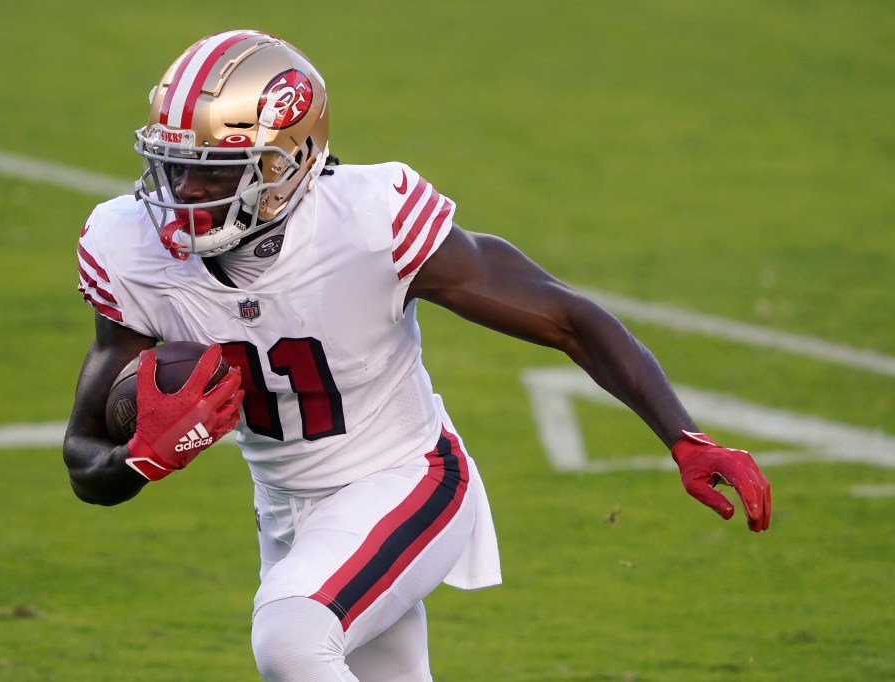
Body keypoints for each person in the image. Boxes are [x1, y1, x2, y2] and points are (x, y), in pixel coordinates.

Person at [63, 29, 771, 682]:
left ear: (290, 161)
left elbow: (567, 319)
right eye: (174, 166)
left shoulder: (369, 221)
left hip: (409, 478)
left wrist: (684, 436)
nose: (185, 194)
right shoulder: (128, 248)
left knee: (290, 638)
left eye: (216, 172)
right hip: (283, 510)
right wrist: (141, 460)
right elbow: (83, 459)